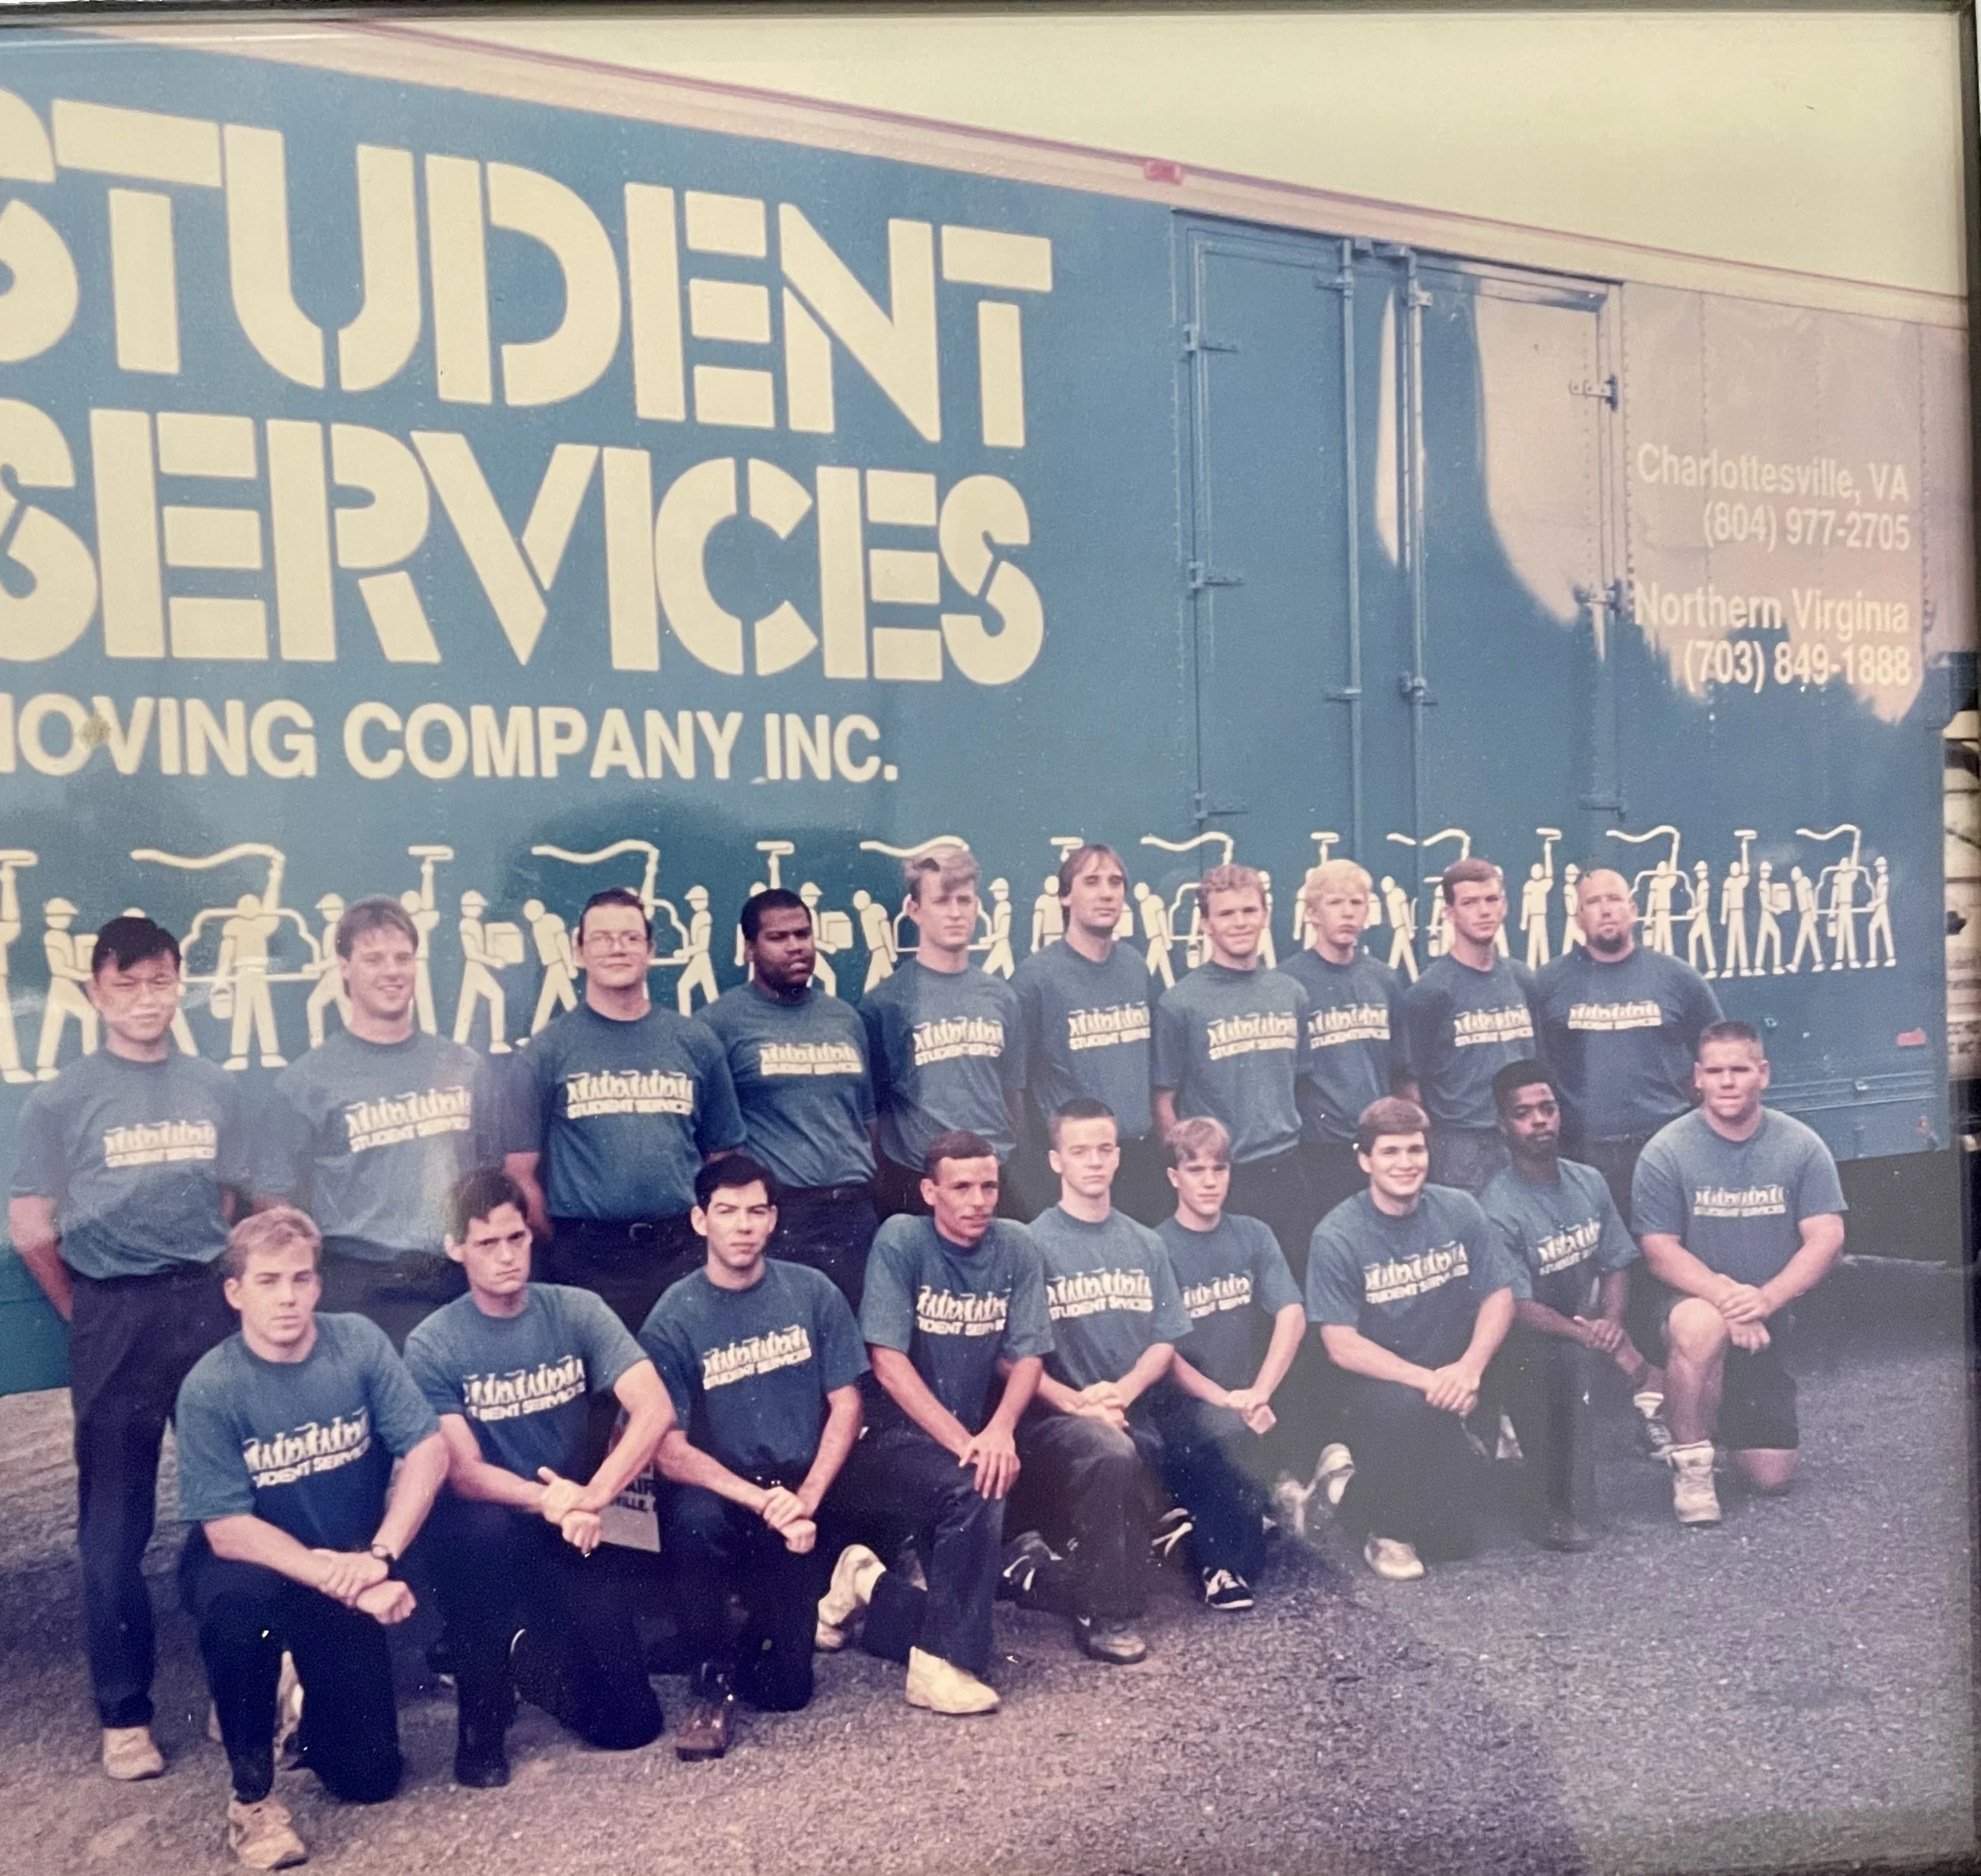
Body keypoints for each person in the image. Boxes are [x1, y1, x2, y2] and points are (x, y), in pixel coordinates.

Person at [8, 916, 247, 1781]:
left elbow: (225, 1198)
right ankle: (124, 1712)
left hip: (201, 1307)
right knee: (114, 1525)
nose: (146, 1000)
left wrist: (188, 1272)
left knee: (228, 1504)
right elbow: (32, 1223)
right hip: (113, 1316)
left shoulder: (213, 1085)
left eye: (160, 982)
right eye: (127, 984)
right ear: (97, 993)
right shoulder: (63, 1098)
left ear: (179, 984)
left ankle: (236, 1683)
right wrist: (88, 1306)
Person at [173, 1207, 448, 1870]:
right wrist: (343, 1579)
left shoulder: (357, 1342)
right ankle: (252, 1800)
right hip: (255, 1564)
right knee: (240, 1617)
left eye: (301, 1278)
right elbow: (227, 1527)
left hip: (346, 1560)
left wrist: (379, 1556)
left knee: (370, 1778)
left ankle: (298, 1694)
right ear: (236, 1292)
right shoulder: (211, 1384)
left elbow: (429, 1450)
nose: (288, 1296)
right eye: (268, 1281)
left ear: (319, 1284)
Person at [403, 1169, 669, 1788]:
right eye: (487, 1243)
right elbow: (465, 1472)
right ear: (455, 1247)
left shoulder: (575, 1309)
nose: (506, 1256)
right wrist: (551, 1498)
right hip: (488, 1520)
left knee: (632, 1724)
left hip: (574, 1518)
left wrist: (594, 1496)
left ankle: (533, 1663)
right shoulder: (433, 1341)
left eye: (516, 1238)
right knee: (482, 1536)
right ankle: (483, 1711)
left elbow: (654, 1407)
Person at [640, 1156, 867, 1759]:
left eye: (756, 1211)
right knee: (694, 1520)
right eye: (727, 1211)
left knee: (788, 1690)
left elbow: (847, 1405)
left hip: (794, 1490)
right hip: (719, 1491)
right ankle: (708, 1681)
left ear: (773, 1221)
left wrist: (807, 1500)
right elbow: (667, 1447)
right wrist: (759, 1500)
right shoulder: (674, 1313)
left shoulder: (812, 1291)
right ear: (699, 1220)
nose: (742, 1225)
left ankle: (732, 1636)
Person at [823, 1130, 1052, 1714]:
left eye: (989, 1186)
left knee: (961, 1614)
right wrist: (970, 1445)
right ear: (930, 1191)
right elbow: (887, 1363)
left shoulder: (1018, 1245)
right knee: (979, 1481)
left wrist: (998, 1429)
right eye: (962, 1187)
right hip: (884, 1436)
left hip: (965, 1435)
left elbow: (1028, 1354)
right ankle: (935, 1670)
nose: (978, 1200)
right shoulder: (902, 1239)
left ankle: (866, 1583)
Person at [502, 886, 746, 1335]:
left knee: (687, 1386)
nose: (618, 948)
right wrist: (569, 1246)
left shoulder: (695, 1042)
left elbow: (723, 1160)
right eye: (602, 938)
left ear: (651, 950)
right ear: (578, 952)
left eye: (631, 938)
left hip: (680, 1248)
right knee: (601, 1397)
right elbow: (520, 1174)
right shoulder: (547, 1050)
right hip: (588, 1256)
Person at [1632, 1021, 1846, 1526]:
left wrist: (1767, 1300)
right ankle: (1693, 1465)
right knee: (1701, 1326)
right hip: (1690, 1308)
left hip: (1762, 1323)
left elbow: (1827, 1238)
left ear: (1763, 1074)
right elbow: (1659, 1250)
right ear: (1697, 1079)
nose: (1727, 1081)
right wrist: (1731, 1300)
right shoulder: (1667, 1150)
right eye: (1715, 1071)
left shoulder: (1801, 1145)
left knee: (1771, 1477)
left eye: (1739, 1069)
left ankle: (1705, 1406)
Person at [252, 896, 488, 1349]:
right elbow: (271, 1198)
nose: (392, 971)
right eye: (373, 958)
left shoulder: (461, 1065)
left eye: (403, 958)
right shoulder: (306, 1082)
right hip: (360, 1285)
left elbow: (489, 1174)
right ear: (344, 967)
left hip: (453, 1276)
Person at [1000, 1100, 1186, 1657]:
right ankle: (1104, 1613)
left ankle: (1036, 1571)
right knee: (1108, 1452)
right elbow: (1007, 1356)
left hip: (1131, 1413)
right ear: (1056, 1160)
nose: (1094, 1161)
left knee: (1131, 1470)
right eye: (1079, 1151)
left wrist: (1124, 1390)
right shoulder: (1029, 1243)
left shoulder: (1145, 1242)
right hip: (1057, 1420)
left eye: (1105, 1149)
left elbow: (1165, 1338)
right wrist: (1078, 1404)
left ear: (1119, 1155)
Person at [1305, 1097, 1518, 1580]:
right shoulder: (1337, 1234)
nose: (1406, 1164)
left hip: (1451, 1374)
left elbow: (1499, 1294)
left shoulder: (1460, 1209)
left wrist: (1470, 1366)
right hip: (1381, 1383)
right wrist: (1425, 1380)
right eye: (1390, 1153)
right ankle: (1382, 1528)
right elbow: (1340, 1343)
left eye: (1415, 1150)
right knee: (1401, 1410)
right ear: (1365, 1160)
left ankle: (1357, 1484)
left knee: (1455, 1543)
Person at [1478, 1063, 1655, 1552]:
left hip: (1582, 1320)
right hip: (1517, 1336)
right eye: (1523, 1114)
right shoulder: (1497, 1206)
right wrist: (1591, 1336)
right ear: (1503, 1126)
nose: (1539, 1122)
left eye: (1547, 1109)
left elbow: (1617, 1260)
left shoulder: (1588, 1181)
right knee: (1556, 1363)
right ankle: (1546, 1507)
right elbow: (1515, 1304)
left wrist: (1613, 1323)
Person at [698, 889, 879, 1309]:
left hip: (853, 1214)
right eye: (778, 938)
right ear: (749, 949)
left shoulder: (845, 1018)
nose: (796, 946)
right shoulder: (718, 1024)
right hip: (782, 1216)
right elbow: (708, 1136)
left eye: (803, 934)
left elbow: (868, 1120)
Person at [1158, 1116, 1312, 1567]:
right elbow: (1162, 1349)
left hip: (1247, 1397)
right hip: (1190, 1403)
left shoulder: (1253, 1234)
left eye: (1219, 1170)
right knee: (1242, 1554)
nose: (1209, 1182)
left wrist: (1261, 1389)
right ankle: (1216, 1528)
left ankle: (1265, 1500)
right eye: (1196, 1170)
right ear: (1174, 1177)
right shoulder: (1156, 1246)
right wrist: (1225, 1400)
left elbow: (1291, 1313)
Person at [1531, 865, 1722, 1223]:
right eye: (1593, 902)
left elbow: (1719, 1056)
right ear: (1577, 917)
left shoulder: (1678, 977)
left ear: (1634, 910)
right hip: (1580, 1152)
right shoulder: (1548, 982)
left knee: (1666, 1254)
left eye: (1614, 899)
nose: (1605, 910)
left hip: (1663, 1146)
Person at [1151, 862, 1314, 1269]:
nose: (1239, 923)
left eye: (1248, 911)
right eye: (1225, 914)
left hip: (1287, 1171)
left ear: (1265, 915)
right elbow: (1163, 1103)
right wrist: (1195, 1175)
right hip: (1223, 1175)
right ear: (1205, 924)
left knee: (1291, 1291)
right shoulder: (1181, 1002)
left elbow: (1299, 1085)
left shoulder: (1290, 994)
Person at [861, 848, 1024, 1219]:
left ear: (977, 906)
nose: (955, 912)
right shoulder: (887, 1003)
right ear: (914, 909)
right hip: (920, 1181)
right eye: (941, 900)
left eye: (964, 900)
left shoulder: (1001, 996)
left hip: (993, 1175)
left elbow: (1014, 1096)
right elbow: (876, 1113)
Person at [1010, 843, 1162, 1221]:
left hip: (1138, 1161)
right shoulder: (1036, 978)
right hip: (1073, 1168)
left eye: (1115, 882)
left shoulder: (1135, 967)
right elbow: (1015, 1087)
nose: (1106, 892)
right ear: (1065, 896)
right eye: (1091, 881)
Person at [1397, 858, 1538, 1193]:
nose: (1483, 911)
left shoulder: (1521, 978)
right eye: (1470, 903)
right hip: (1462, 1145)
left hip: (1522, 1137)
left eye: (1491, 900)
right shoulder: (1430, 991)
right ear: (1450, 913)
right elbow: (1408, 1082)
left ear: (1504, 906)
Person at [1281, 859, 1405, 1227]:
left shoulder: (1383, 979)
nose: (1348, 913)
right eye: (1336, 903)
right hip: (1320, 1150)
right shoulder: (1290, 983)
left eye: (1357, 903)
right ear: (1312, 913)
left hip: (1379, 1144)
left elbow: (1400, 1069)